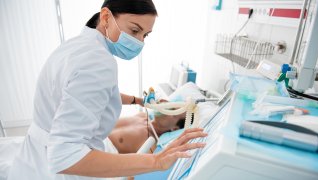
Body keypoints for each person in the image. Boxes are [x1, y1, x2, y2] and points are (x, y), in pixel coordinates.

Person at [8, 0, 207, 179]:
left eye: (145, 35)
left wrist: (137, 101)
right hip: (53, 171)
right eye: (135, 30)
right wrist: (156, 161)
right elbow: (64, 156)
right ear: (105, 17)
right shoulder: (98, 62)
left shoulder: (76, 47)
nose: (140, 42)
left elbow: (88, 95)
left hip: (32, 157)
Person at [108, 112, 186, 154]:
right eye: (171, 107)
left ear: (175, 128)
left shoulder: (150, 145)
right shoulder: (142, 115)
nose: (166, 110)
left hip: (98, 154)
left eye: (173, 114)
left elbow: (131, 175)